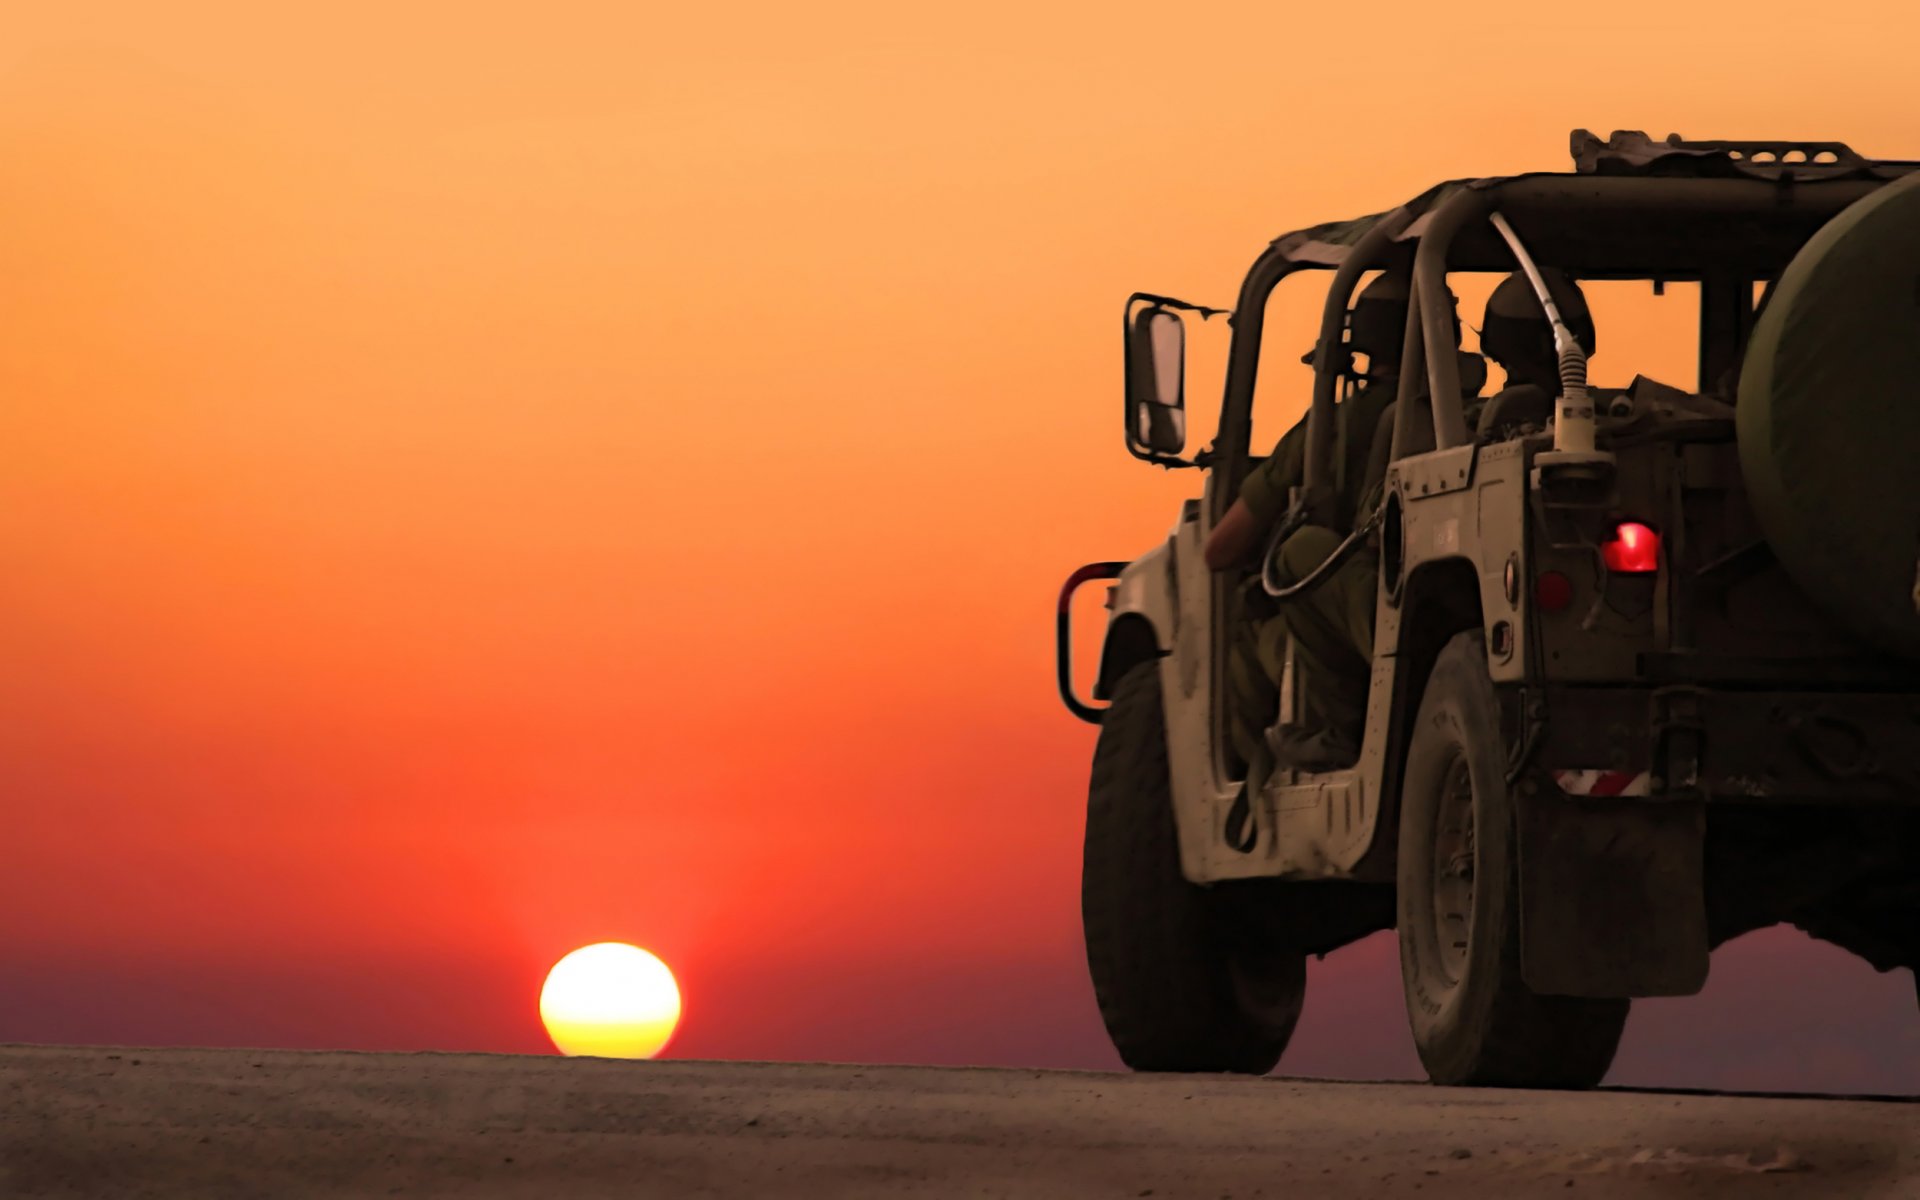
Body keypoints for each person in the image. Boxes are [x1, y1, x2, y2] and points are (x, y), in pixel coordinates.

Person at [1208, 274, 1416, 815]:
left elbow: (1221, 550)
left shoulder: (1332, 426)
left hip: (1375, 630)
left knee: (1281, 577)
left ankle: (1267, 775)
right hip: (1411, 611)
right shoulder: (1471, 418)